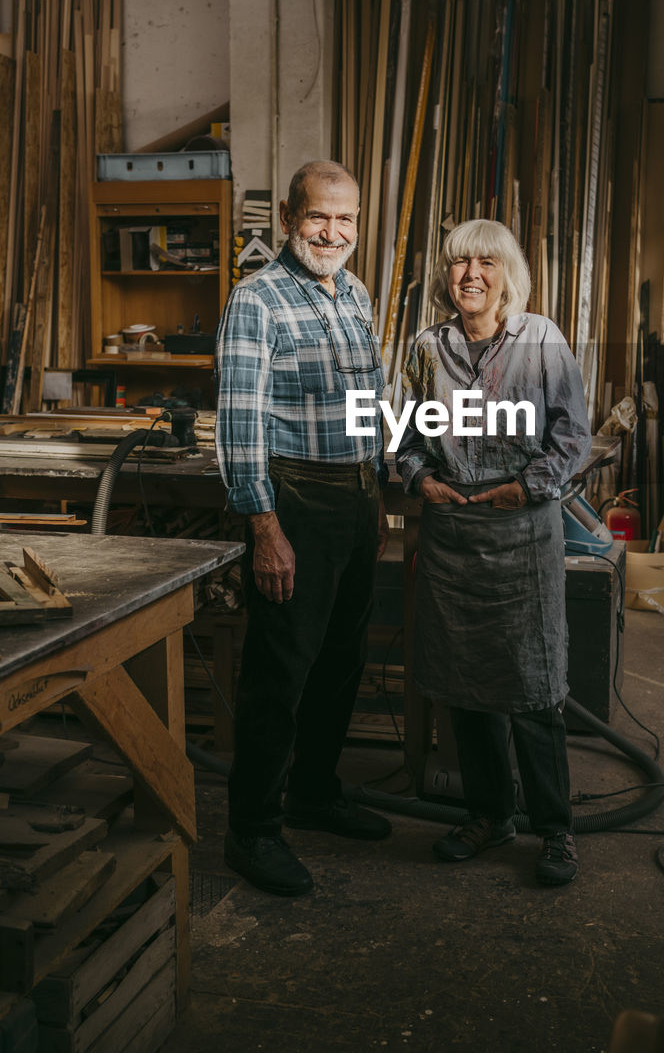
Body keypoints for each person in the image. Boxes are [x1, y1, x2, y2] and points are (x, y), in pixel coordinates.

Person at [396, 219, 591, 887]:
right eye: (456, 263)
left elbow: (571, 437)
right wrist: (419, 478)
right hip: (453, 534)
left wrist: (524, 487)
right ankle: (488, 815)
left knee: (533, 686)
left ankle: (555, 829)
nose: (469, 275)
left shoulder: (541, 339)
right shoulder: (429, 348)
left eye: (485, 263)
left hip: (521, 530)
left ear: (507, 274)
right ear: (444, 276)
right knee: (465, 685)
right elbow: (407, 436)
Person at [215, 160, 391, 898]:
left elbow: (364, 404)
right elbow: (239, 418)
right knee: (279, 672)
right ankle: (252, 831)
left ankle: (314, 793)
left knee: (339, 662)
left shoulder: (352, 292)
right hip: (295, 502)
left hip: (354, 497)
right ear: (289, 218)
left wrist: (378, 481)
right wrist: (264, 526)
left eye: (346, 219)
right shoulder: (255, 299)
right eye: (319, 217)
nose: (333, 232)